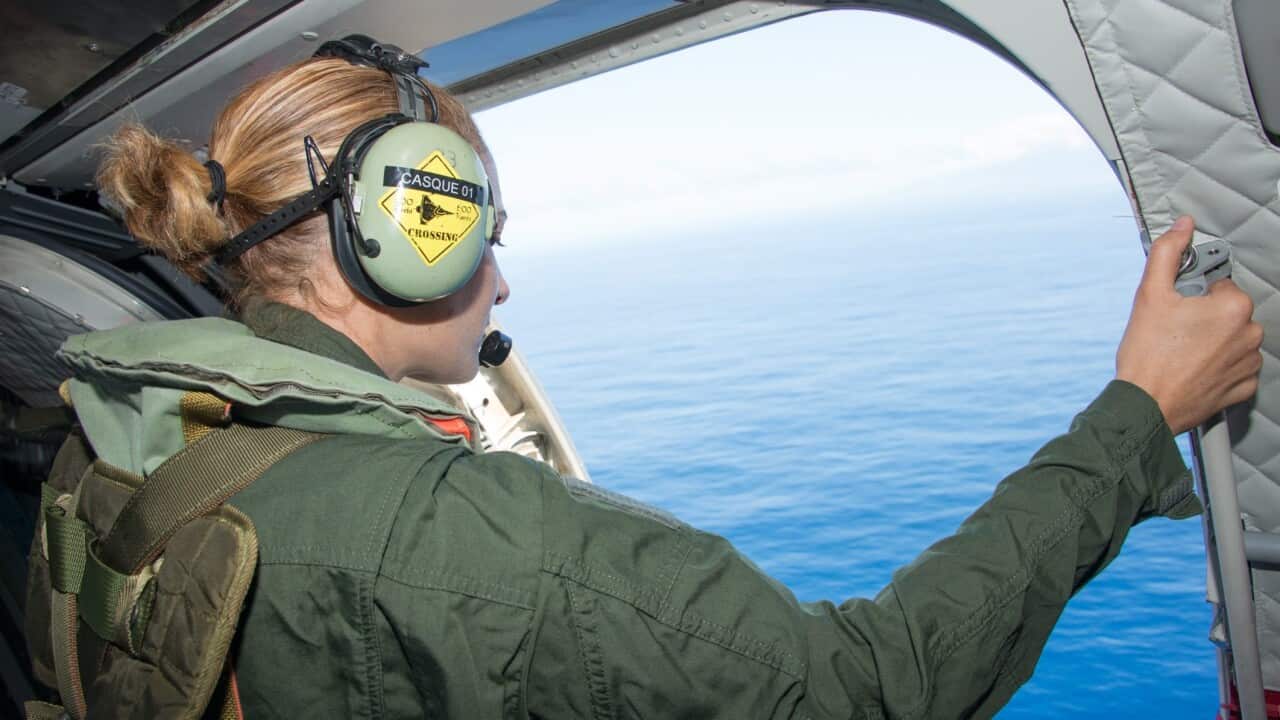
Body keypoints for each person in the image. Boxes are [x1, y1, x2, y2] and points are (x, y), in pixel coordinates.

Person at [39, 45, 1262, 719]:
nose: (501, 286)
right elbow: (871, 690)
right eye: (485, 234)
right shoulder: (464, 540)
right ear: (415, 229)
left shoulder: (124, 429)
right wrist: (1138, 413)